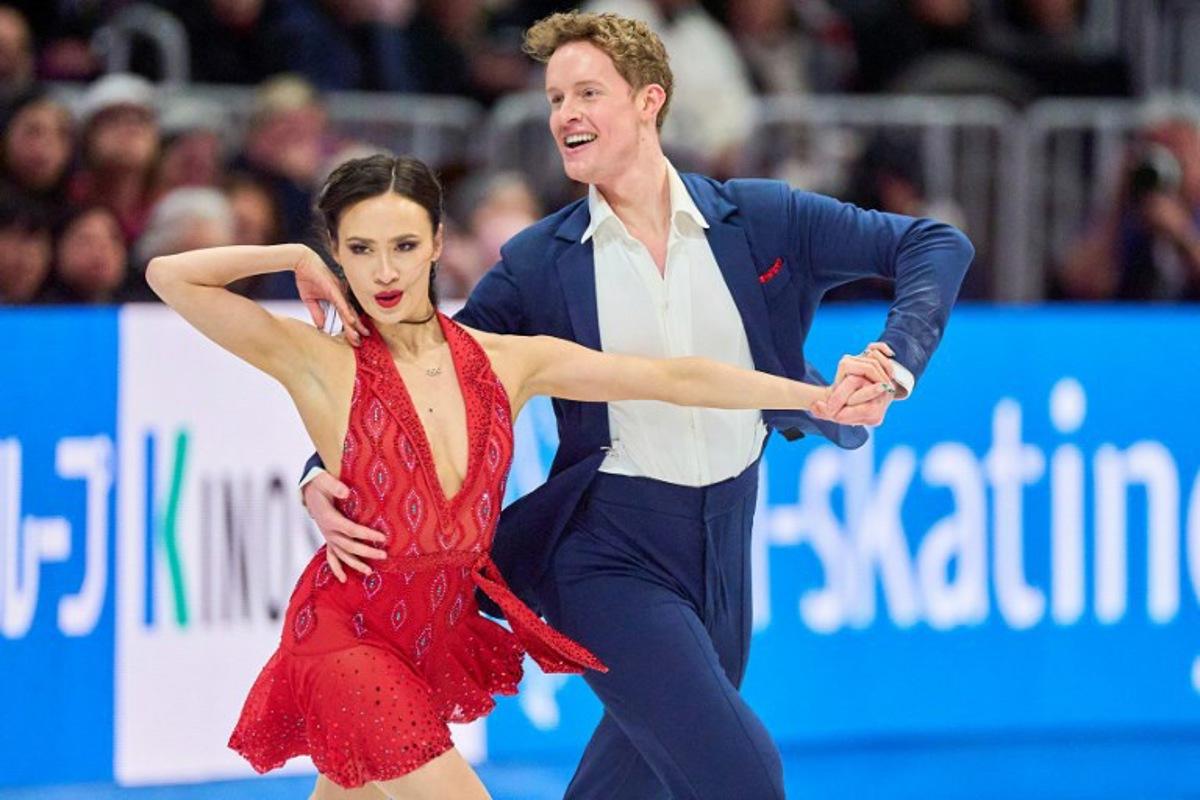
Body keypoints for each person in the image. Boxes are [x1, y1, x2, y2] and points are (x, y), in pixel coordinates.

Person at [300, 11, 973, 799]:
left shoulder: (759, 220)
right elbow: (432, 372)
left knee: (632, 784)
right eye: (555, 98)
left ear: (650, 101)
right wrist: (325, 463)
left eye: (588, 92)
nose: (565, 115)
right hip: (607, 551)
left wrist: (894, 362)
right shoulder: (539, 264)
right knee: (743, 776)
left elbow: (934, 243)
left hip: (724, 544)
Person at [146, 153, 893, 799]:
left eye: (403, 245)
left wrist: (811, 397)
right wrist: (288, 258)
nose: (383, 270)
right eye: (359, 248)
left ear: (439, 243)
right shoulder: (320, 361)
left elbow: (676, 377)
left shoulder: (506, 361)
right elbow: (169, 276)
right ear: (336, 253)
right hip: (347, 641)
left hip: (428, 642)